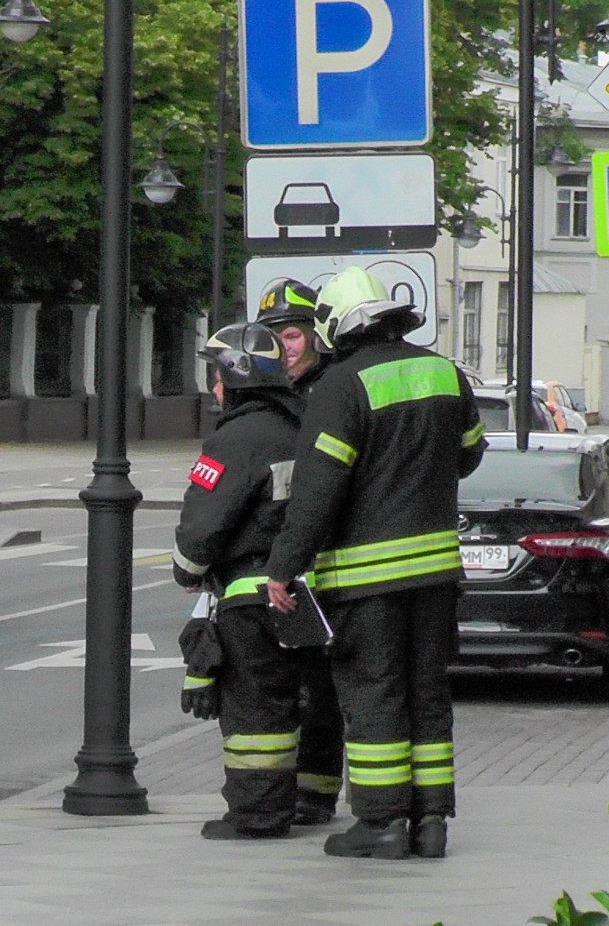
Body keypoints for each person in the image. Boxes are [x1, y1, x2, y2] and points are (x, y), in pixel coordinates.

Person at [263, 266, 485, 860]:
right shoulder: (445, 372)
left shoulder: (339, 386)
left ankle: (382, 823)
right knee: (427, 692)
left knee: (374, 694)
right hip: (437, 572)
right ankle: (431, 821)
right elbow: (469, 457)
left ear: (337, 325)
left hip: (366, 581)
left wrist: (282, 568)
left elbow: (317, 493)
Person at [172, 321, 305, 840]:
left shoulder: (236, 438)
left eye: (216, 374)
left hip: (252, 598)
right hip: (312, 596)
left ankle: (256, 816)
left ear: (232, 380)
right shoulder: (305, 427)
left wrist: (187, 570)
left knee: (255, 711)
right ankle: (308, 802)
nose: (214, 387)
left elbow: (203, 523)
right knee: (303, 704)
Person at [253, 278, 344, 827]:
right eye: (274, 337)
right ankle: (292, 788)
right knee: (286, 684)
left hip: (323, 557)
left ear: (315, 336)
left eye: (290, 335)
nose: (283, 347)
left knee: (323, 686)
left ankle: (317, 792)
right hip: (281, 560)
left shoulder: (333, 388)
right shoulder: (267, 394)